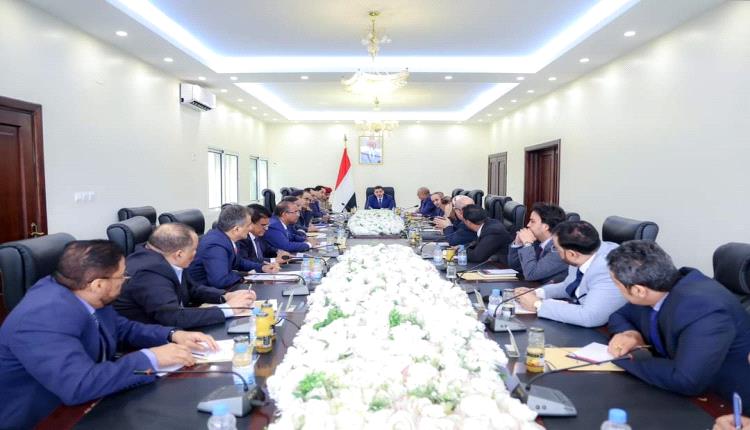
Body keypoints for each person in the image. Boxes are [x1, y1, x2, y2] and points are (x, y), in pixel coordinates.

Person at [0, 240, 217, 429]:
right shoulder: (42, 316)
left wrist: (172, 334)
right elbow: (79, 385)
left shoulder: (84, 292)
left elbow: (122, 328)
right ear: (98, 284)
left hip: (94, 401)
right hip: (49, 419)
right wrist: (151, 358)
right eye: (122, 276)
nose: (125, 280)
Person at [606, 240, 750, 414]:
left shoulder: (706, 310)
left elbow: (687, 380)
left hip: (724, 406)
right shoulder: (660, 287)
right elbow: (619, 316)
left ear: (638, 291)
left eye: (616, 284)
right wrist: (631, 334)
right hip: (678, 390)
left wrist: (622, 359)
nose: (616, 289)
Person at [114, 223, 256, 328]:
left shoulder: (167, 258)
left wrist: (225, 296)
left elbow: (192, 289)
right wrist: (228, 309)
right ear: (179, 254)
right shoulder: (149, 272)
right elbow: (173, 317)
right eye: (194, 250)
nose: (196, 254)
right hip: (147, 342)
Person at [516, 220, 624, 328]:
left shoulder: (607, 268)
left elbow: (590, 316)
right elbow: (569, 286)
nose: (555, 251)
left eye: (556, 248)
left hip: (608, 332)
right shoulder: (582, 253)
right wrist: (537, 293)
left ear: (572, 254)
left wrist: (537, 305)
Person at [187, 205, 280, 289]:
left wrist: (262, 267)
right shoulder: (216, 245)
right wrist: (245, 276)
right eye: (248, 225)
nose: (250, 228)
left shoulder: (227, 238)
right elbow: (220, 281)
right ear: (236, 229)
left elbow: (238, 262)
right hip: (205, 296)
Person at [508, 203, 569, 282]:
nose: (528, 225)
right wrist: (518, 243)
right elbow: (516, 267)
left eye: (532, 221)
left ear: (546, 227)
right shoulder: (537, 242)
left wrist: (527, 244)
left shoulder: (558, 250)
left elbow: (531, 274)